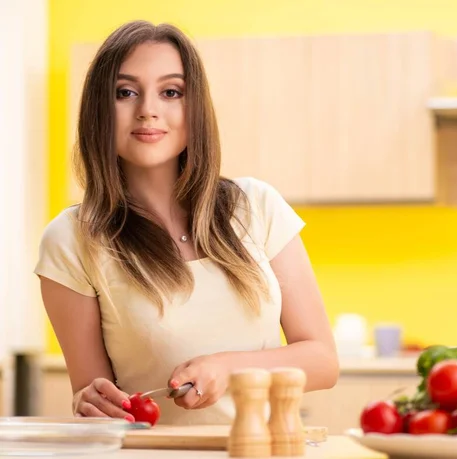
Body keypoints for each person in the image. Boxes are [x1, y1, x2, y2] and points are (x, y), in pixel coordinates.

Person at [34, 20, 339, 426]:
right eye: (125, 92)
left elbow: (322, 360)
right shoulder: (71, 240)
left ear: (194, 107)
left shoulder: (258, 207)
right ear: (98, 111)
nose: (148, 109)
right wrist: (90, 401)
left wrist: (227, 369)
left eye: (170, 92)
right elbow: (97, 401)